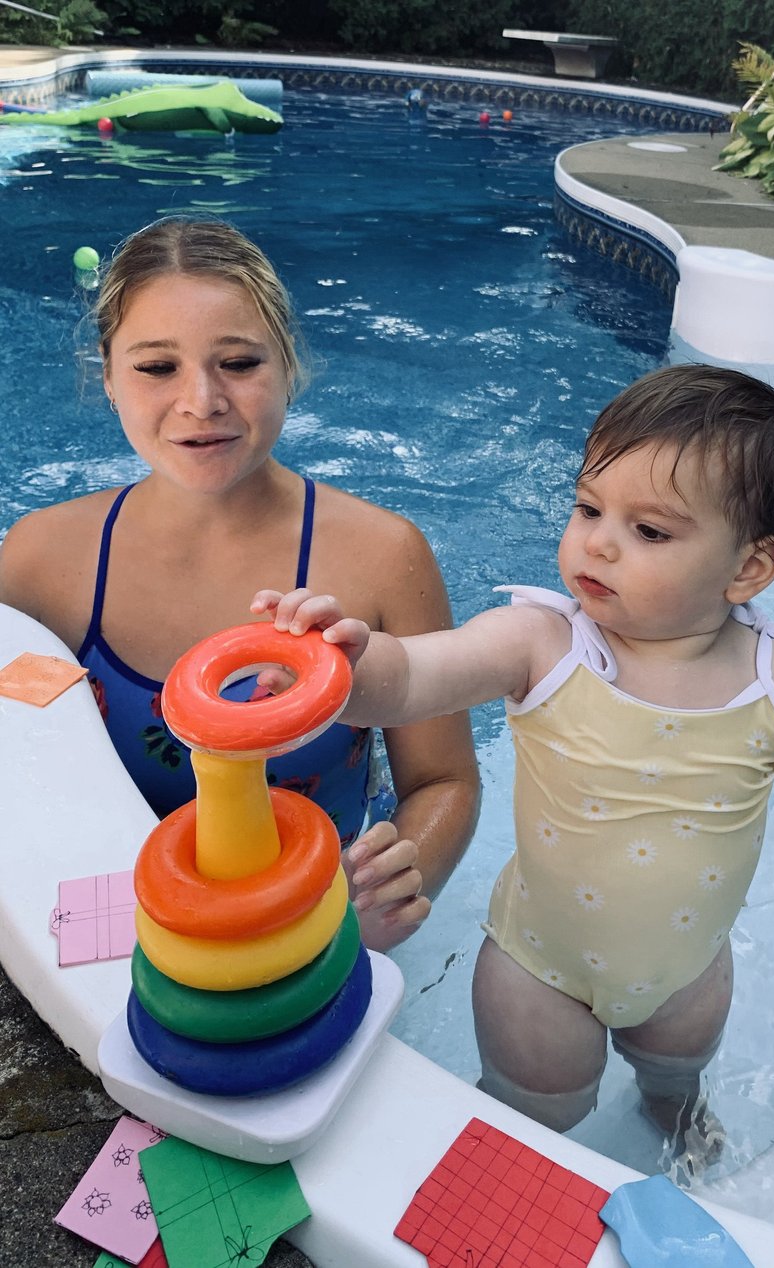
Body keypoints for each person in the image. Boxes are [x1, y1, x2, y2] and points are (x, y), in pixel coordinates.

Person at [250, 363, 774, 1158]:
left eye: (649, 531)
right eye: (588, 507)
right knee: (534, 1115)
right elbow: (411, 679)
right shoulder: (543, 644)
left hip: (689, 976)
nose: (598, 542)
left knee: (676, 1080)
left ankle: (675, 1115)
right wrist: (344, 667)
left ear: (748, 568)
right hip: (539, 970)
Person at [0, 216, 480, 953]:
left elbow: (444, 779)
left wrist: (396, 878)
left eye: (239, 362)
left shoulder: (384, 557)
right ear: (107, 376)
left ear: (288, 367)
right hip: (126, 923)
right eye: (157, 367)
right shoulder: (42, 560)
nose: (201, 400)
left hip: (314, 925)